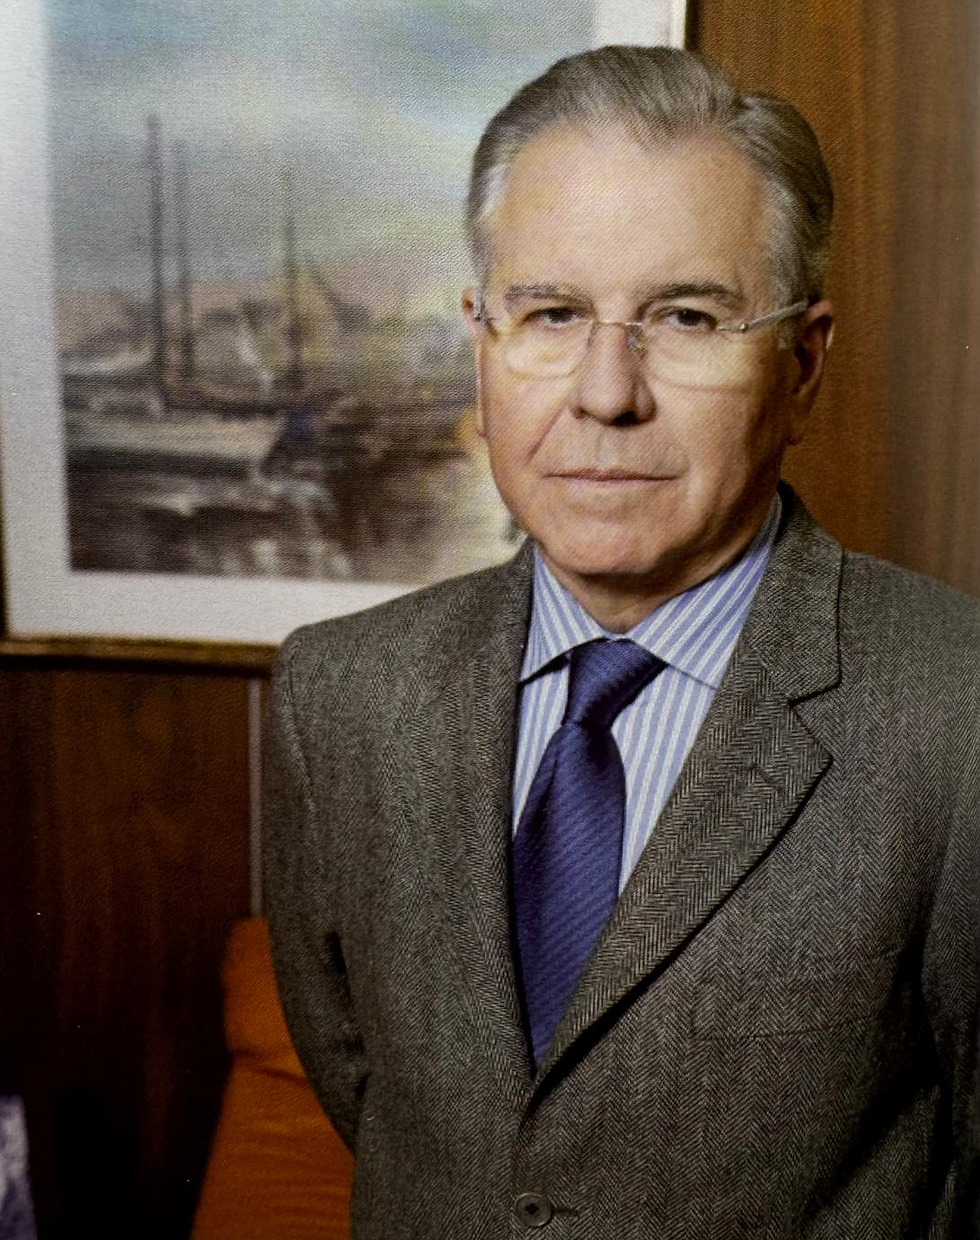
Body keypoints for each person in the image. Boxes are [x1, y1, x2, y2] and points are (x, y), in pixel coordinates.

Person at [263, 46, 979, 1238]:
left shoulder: (954, 711)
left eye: (685, 317)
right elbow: (387, 1109)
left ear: (801, 366)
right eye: (550, 314)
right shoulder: (341, 694)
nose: (605, 394)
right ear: (481, 349)